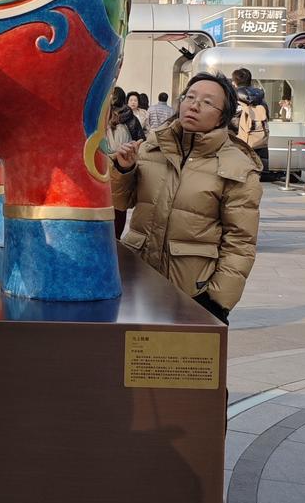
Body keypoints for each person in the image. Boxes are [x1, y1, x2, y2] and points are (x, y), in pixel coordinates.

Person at [120, 72, 262, 323]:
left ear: (223, 116)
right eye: (190, 97)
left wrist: (217, 301)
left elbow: (240, 242)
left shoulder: (237, 166)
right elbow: (121, 202)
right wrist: (123, 170)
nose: (194, 105)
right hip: (138, 283)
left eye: (207, 102)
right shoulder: (152, 148)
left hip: (194, 292)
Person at [100, 86, 143, 239]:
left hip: (108, 171)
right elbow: (140, 139)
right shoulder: (131, 119)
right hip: (123, 168)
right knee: (118, 212)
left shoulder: (102, 118)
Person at [231, 67, 271, 180]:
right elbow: (266, 117)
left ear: (234, 82)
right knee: (253, 178)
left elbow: (229, 121)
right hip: (259, 143)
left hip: (238, 143)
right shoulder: (261, 99)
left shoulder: (233, 98)